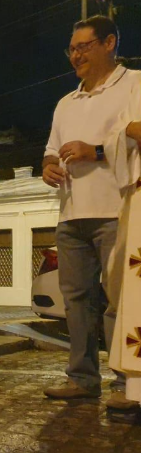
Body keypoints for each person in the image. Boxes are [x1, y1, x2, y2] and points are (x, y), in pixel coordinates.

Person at [41, 16, 138, 401]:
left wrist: (94, 151)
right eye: (72, 49)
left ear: (109, 42)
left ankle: (124, 380)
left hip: (119, 208)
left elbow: (134, 139)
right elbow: (51, 149)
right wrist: (49, 165)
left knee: (121, 298)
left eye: (83, 46)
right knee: (77, 300)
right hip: (71, 212)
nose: (76, 55)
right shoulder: (67, 101)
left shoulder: (134, 84)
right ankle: (82, 378)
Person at [102, 70, 141, 422]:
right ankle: (137, 391)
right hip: (139, 201)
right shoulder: (139, 85)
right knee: (132, 289)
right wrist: (129, 131)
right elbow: (116, 135)